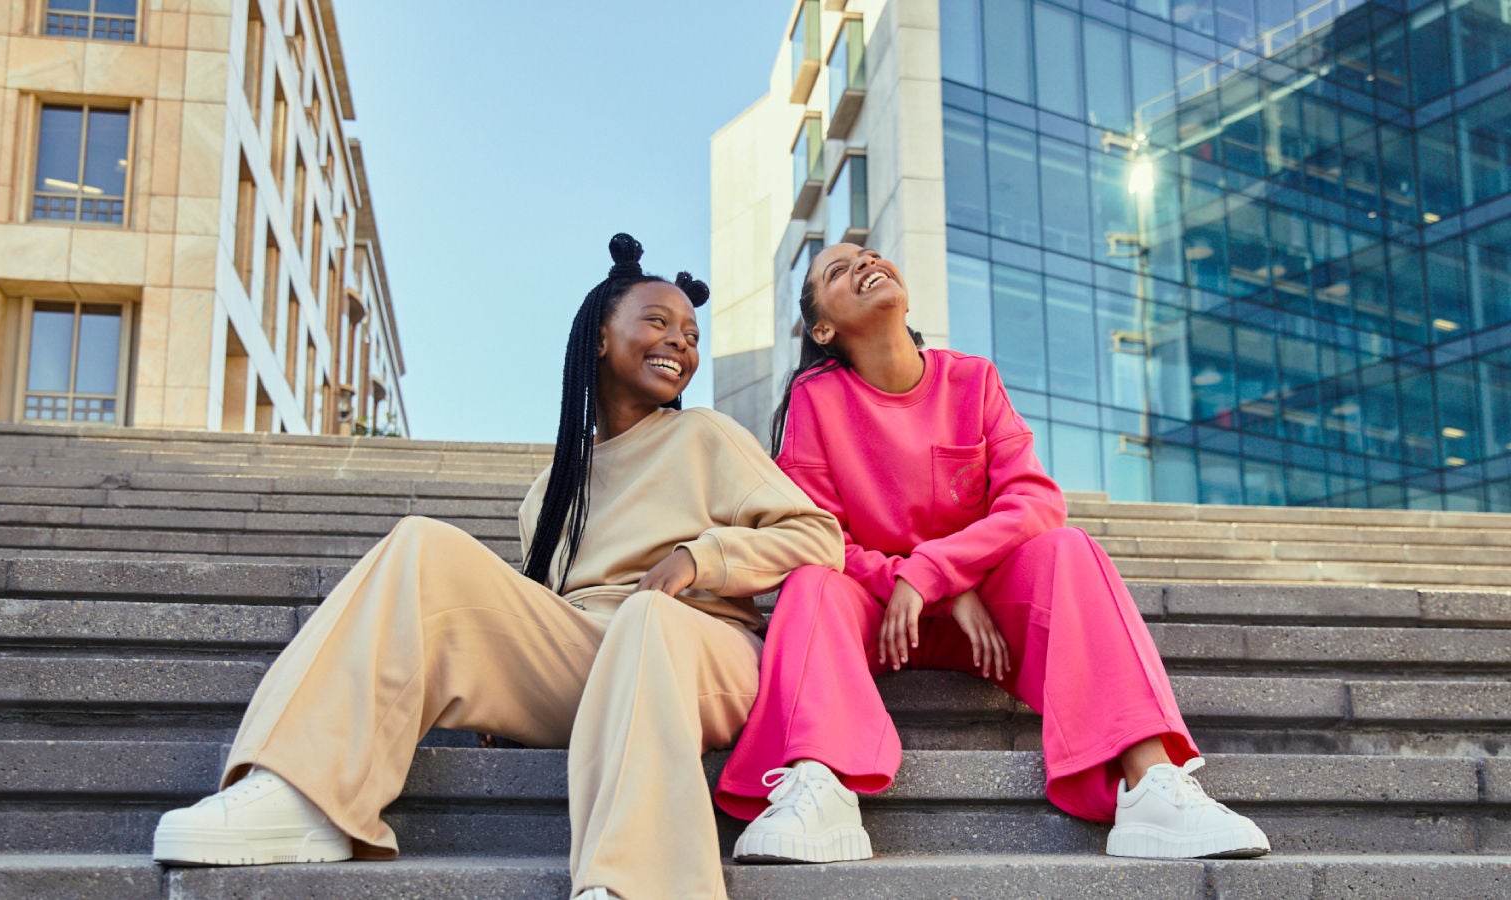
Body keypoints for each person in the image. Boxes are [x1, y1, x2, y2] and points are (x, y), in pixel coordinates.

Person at [152, 234, 846, 900]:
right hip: (590, 659)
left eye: (692, 335)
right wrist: (502, 680)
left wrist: (703, 557)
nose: (680, 343)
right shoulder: (550, 492)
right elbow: (538, 608)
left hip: (700, 656)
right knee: (421, 544)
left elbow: (819, 538)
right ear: (599, 338)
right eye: (658, 321)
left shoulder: (707, 435)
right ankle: (304, 789)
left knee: (647, 619)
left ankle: (639, 884)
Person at [714, 242, 1270, 863]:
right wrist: (913, 579)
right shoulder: (818, 400)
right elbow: (818, 534)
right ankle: (821, 783)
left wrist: (940, 575)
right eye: (839, 272)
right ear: (824, 328)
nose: (865, 264)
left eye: (869, 254)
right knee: (811, 580)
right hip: (876, 613)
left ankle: (1151, 786)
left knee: (1068, 547)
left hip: (988, 620)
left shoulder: (972, 379)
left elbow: (1033, 501)